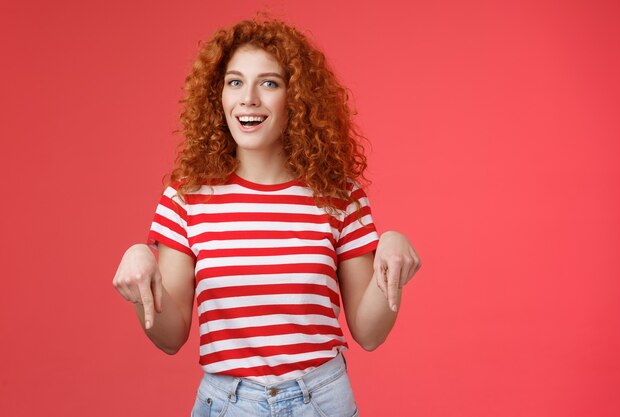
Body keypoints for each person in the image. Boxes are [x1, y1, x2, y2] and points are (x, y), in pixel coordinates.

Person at [112, 17, 421, 417]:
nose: (249, 98)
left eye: (269, 83)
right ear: (217, 95)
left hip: (321, 402)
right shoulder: (186, 198)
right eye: (235, 82)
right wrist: (141, 268)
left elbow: (370, 332)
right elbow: (170, 337)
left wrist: (391, 257)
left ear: (297, 98)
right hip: (226, 404)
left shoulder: (340, 196)